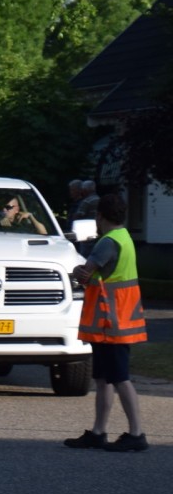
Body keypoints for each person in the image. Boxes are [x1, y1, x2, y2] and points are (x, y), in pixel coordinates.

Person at [65, 192, 149, 452]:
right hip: (117, 320)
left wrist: (78, 273)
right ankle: (98, 431)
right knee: (103, 378)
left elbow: (85, 273)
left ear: (99, 216)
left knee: (120, 378)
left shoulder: (107, 242)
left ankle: (137, 433)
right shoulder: (125, 237)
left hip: (111, 323)